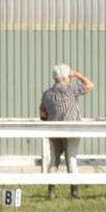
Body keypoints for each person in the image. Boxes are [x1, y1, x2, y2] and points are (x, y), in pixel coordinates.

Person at [39, 64, 94, 199]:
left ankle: (52, 191)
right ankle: (74, 191)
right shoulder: (70, 90)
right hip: (72, 130)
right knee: (71, 159)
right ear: (64, 77)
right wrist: (76, 74)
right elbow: (90, 85)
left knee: (54, 160)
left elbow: (42, 114)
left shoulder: (47, 94)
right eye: (68, 76)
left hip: (54, 131)